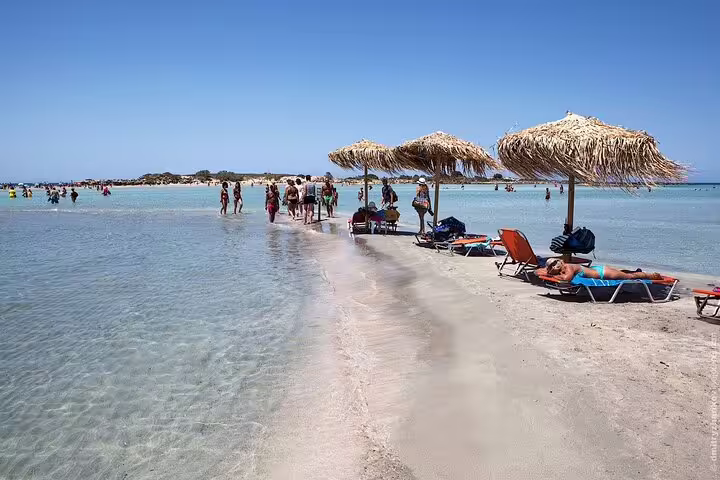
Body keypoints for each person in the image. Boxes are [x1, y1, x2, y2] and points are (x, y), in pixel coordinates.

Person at [536, 258, 663, 282]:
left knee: (630, 277)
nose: (550, 269)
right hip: (596, 270)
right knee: (625, 274)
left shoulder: (568, 267)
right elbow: (537, 271)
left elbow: (566, 279)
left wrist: (551, 276)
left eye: (551, 266)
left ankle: (650, 275)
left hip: (603, 274)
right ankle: (641, 272)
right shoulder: (564, 268)